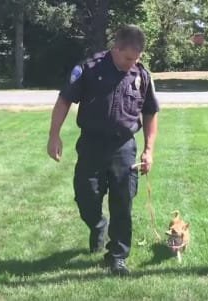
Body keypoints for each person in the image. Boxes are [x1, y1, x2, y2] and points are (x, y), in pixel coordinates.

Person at [47, 24, 159, 276]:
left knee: (123, 203)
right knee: (86, 197)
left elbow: (151, 112)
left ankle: (117, 257)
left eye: (136, 59)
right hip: (92, 145)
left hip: (124, 147)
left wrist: (148, 149)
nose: (132, 63)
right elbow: (64, 100)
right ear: (115, 48)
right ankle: (98, 225)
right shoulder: (88, 69)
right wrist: (54, 136)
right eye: (128, 58)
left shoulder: (141, 75)